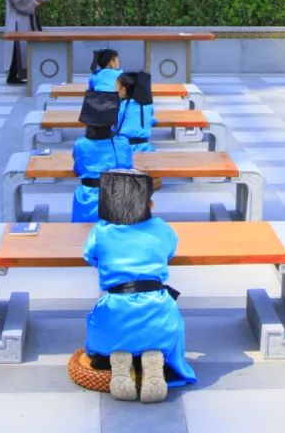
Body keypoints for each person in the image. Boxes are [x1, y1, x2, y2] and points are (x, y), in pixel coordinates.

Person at [84, 169, 197, 402]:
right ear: (150, 204)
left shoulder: (101, 231)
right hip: (158, 309)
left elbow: (90, 256)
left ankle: (119, 358)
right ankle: (153, 356)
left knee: (100, 338)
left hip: (116, 309)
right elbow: (170, 252)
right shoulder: (162, 228)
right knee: (165, 333)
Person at [72, 91, 134, 222]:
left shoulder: (80, 144)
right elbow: (128, 167)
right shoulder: (122, 143)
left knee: (82, 232)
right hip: (118, 199)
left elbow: (77, 169)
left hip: (88, 200)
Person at [5, 0, 46, 85]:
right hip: (17, 21)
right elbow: (18, 1)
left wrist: (36, 0)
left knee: (18, 49)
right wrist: (35, 3)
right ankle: (13, 76)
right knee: (16, 50)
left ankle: (14, 76)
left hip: (22, 19)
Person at [116, 71, 156, 153]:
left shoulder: (122, 106)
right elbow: (151, 120)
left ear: (123, 90)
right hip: (146, 148)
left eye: (116, 87)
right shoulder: (148, 106)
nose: (115, 90)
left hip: (125, 148)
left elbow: (115, 126)